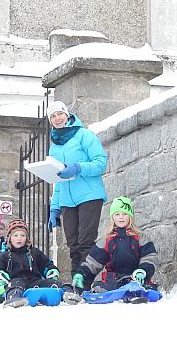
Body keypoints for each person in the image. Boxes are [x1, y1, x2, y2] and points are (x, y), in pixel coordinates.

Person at [44, 101, 108, 280]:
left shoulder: (84, 135)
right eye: (53, 116)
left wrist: (78, 167)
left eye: (60, 114)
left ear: (67, 115)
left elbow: (101, 163)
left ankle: (86, 282)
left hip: (89, 195)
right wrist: (54, 208)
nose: (57, 118)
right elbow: (58, 180)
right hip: (67, 200)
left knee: (85, 242)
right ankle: (76, 283)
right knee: (73, 245)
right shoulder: (54, 147)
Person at [76, 196, 158, 292]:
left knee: (146, 288)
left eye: (125, 214)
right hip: (114, 280)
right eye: (117, 214)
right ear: (112, 217)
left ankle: (138, 292)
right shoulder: (106, 241)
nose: (121, 217)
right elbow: (93, 262)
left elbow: (149, 257)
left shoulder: (140, 238)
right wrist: (81, 273)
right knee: (100, 287)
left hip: (136, 278)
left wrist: (143, 270)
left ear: (130, 216)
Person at [0, 219, 79, 307]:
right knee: (15, 284)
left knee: (51, 283)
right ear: (9, 238)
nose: (19, 238)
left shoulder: (34, 252)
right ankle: (14, 298)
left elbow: (46, 264)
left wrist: (51, 270)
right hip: (14, 281)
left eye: (23, 235)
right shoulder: (3, 255)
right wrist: (0, 275)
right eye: (15, 235)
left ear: (26, 238)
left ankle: (68, 293)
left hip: (34, 281)